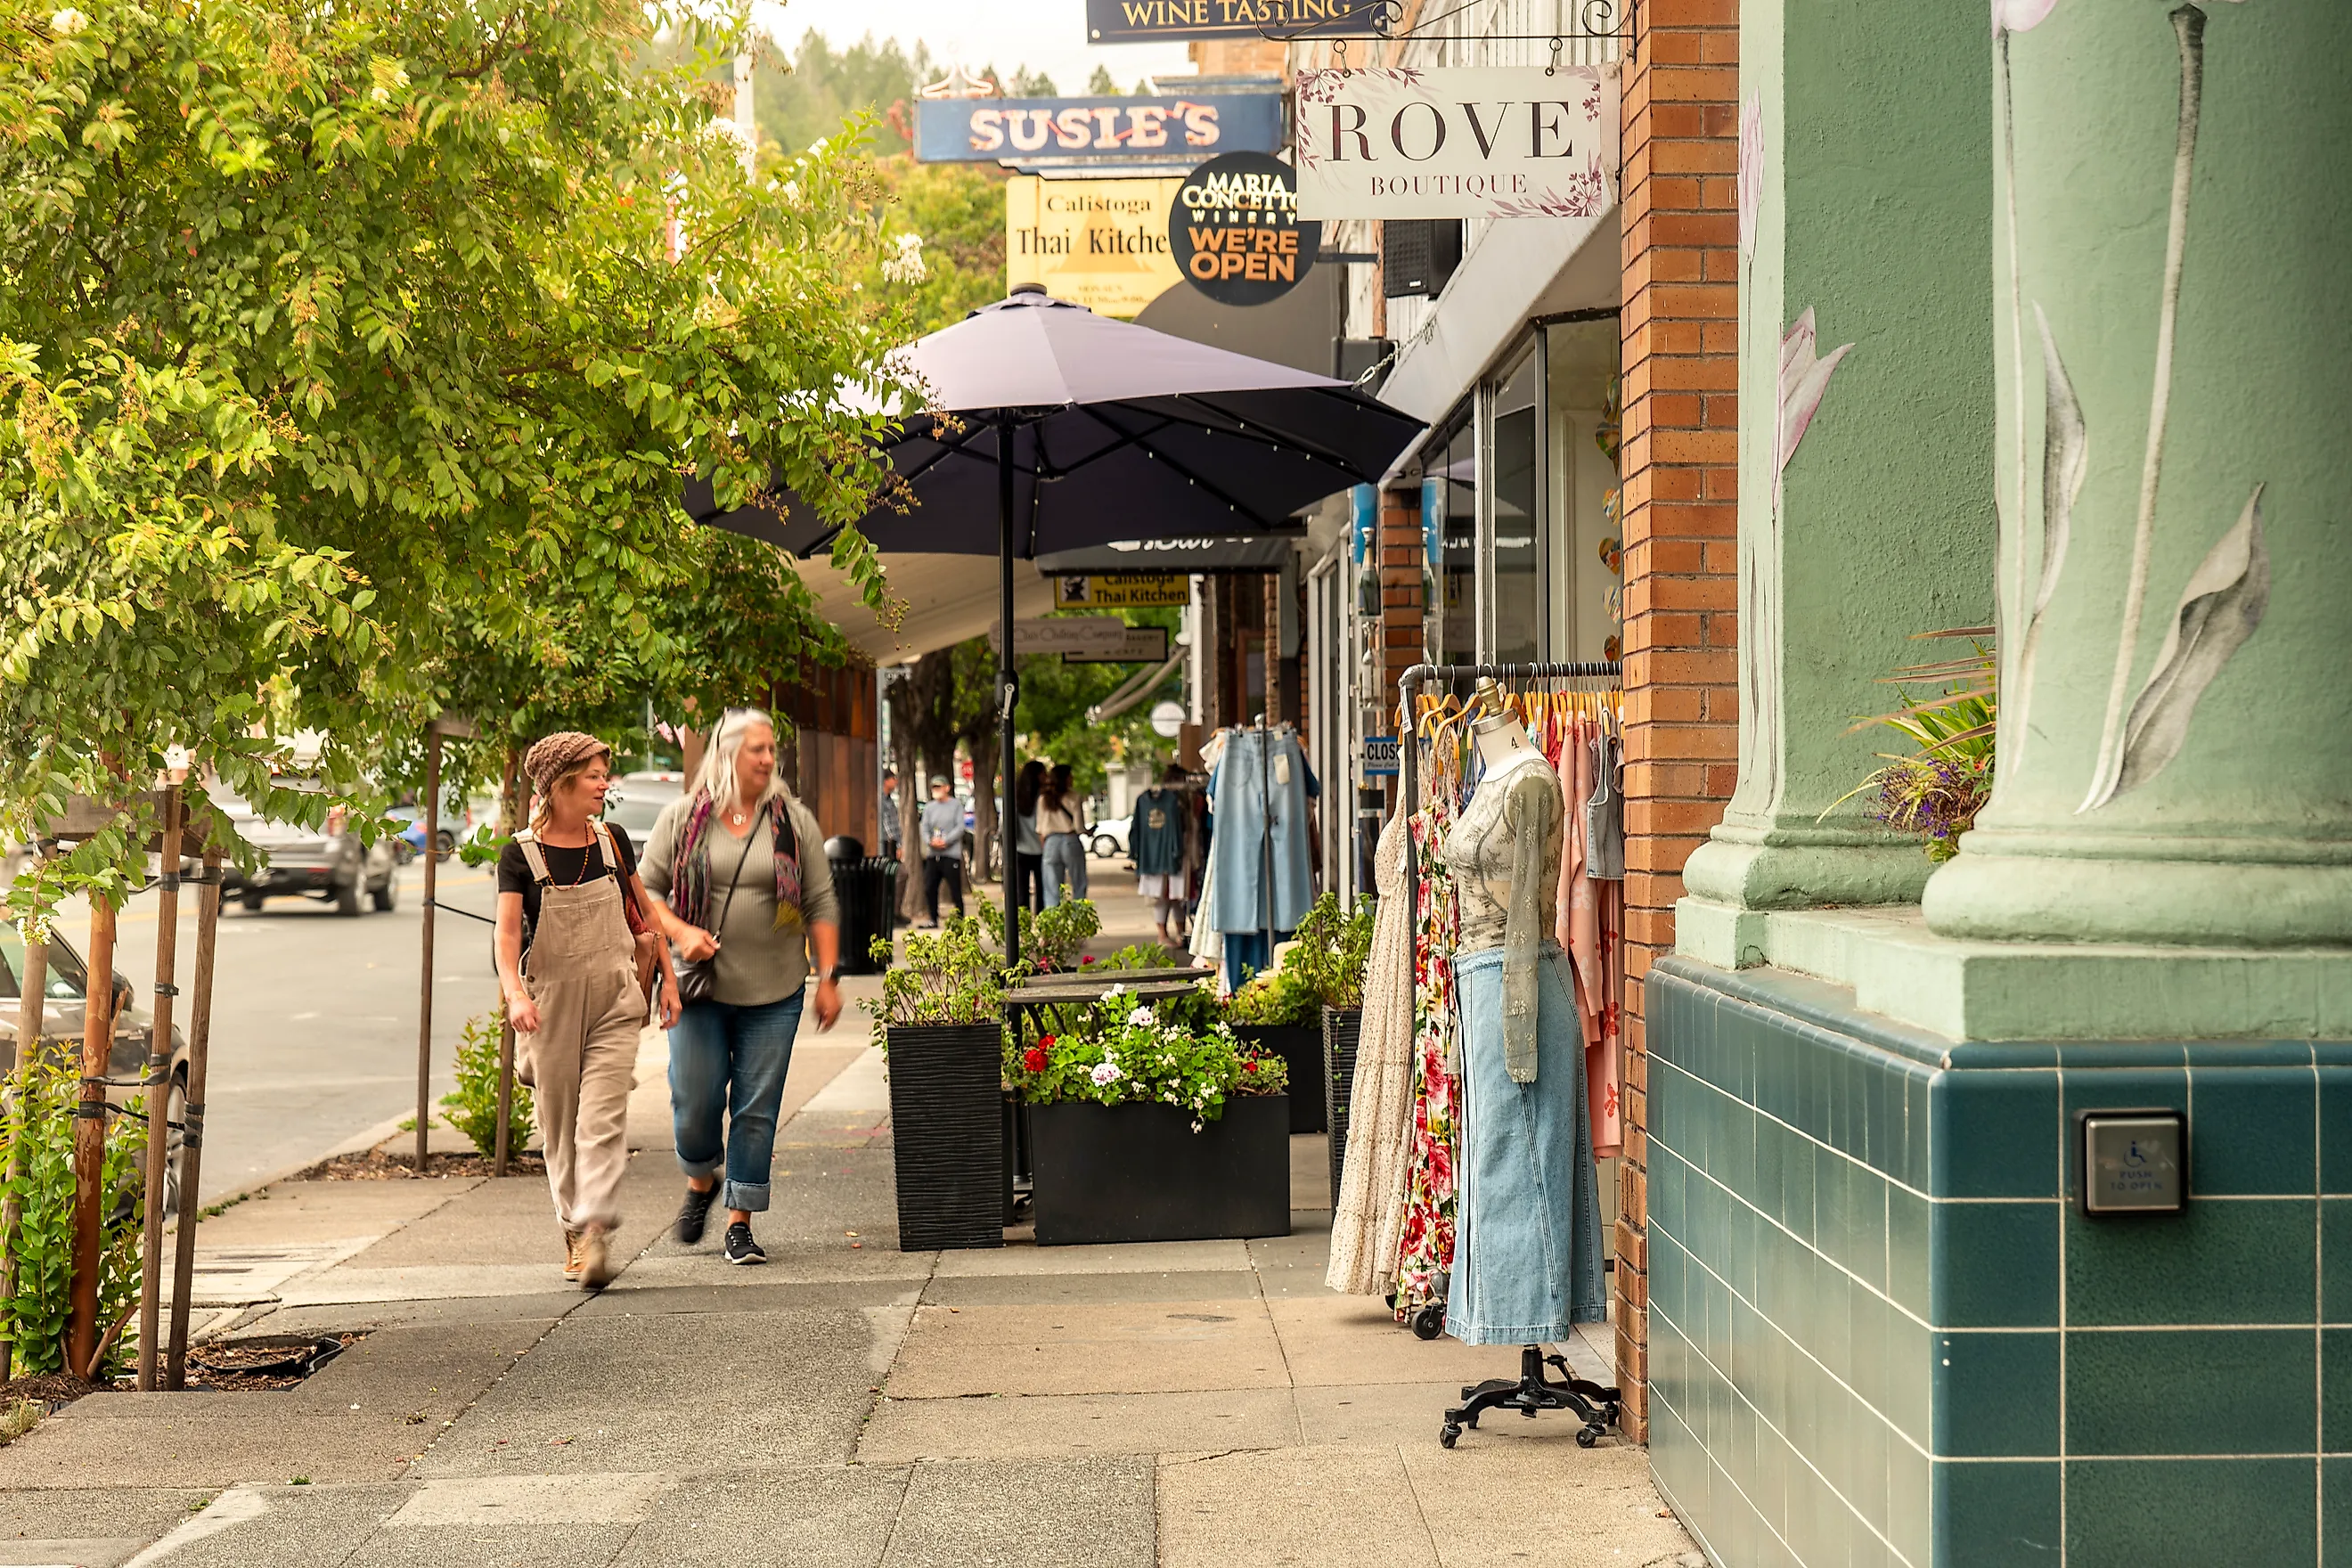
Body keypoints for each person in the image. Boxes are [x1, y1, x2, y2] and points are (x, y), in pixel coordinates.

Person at [639, 708, 841, 1266]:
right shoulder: (683, 818)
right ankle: (701, 1178)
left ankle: (740, 1220)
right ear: (728, 754)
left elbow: (821, 901)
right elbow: (646, 891)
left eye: (772, 748)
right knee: (693, 1101)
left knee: (757, 1107)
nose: (768, 759)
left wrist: (828, 977)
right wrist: (681, 934)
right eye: (758, 749)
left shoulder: (792, 821)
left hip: (776, 988)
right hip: (701, 990)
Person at [495, 732, 681, 1290]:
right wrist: (515, 995)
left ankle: (594, 1224)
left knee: (601, 1118)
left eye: (605, 773)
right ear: (561, 783)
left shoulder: (612, 841)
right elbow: (506, 939)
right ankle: (574, 1228)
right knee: (560, 1126)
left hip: (615, 997)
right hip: (549, 1004)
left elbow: (644, 915)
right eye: (596, 775)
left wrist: (668, 981)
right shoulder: (520, 855)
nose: (606, 783)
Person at [1132, 763, 1191, 947]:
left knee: (1170, 896)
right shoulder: (1171, 801)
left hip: (1153, 856)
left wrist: (1136, 854)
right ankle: (1168, 934)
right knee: (1170, 896)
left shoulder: (1154, 801)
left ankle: (1171, 934)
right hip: (1169, 855)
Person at [1037, 764, 1087, 907]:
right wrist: (1087, 832)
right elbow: (1078, 826)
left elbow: (1040, 828)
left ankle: (1054, 924)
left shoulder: (1043, 799)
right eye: (1070, 776)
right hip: (1070, 840)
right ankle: (1079, 920)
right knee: (1079, 884)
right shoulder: (1074, 797)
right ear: (1064, 778)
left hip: (1051, 842)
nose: (1072, 778)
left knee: (1052, 889)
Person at [918, 775, 965, 925]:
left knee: (955, 888)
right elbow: (924, 827)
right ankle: (933, 918)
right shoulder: (929, 807)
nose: (936, 790)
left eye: (939, 787)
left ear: (947, 788)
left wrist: (946, 841)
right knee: (930, 887)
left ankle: (960, 919)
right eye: (934, 787)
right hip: (933, 854)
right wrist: (930, 841)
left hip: (950, 854)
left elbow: (960, 827)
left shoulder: (956, 805)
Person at [1012, 759, 1047, 913]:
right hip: (1042, 849)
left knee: (1022, 892)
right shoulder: (1044, 796)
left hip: (1021, 848)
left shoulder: (1016, 795)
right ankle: (1041, 923)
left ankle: (1023, 926)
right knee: (1043, 892)